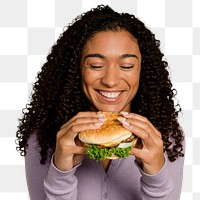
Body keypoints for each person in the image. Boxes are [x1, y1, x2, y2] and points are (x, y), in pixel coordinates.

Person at [16, 5, 185, 200]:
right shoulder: (43, 139)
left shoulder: (167, 136)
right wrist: (60, 172)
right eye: (96, 65)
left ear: (143, 71)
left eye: (127, 65)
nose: (110, 80)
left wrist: (156, 176)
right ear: (76, 69)